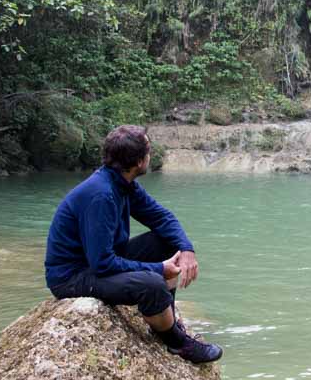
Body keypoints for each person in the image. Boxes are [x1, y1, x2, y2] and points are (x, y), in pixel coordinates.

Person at [44, 124, 222, 363]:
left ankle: (165, 315)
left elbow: (160, 217)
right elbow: (103, 264)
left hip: (98, 261)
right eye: (149, 151)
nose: (151, 155)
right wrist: (159, 269)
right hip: (72, 277)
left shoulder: (122, 183)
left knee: (167, 242)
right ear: (139, 161)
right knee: (152, 283)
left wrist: (187, 249)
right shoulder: (101, 195)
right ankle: (176, 343)